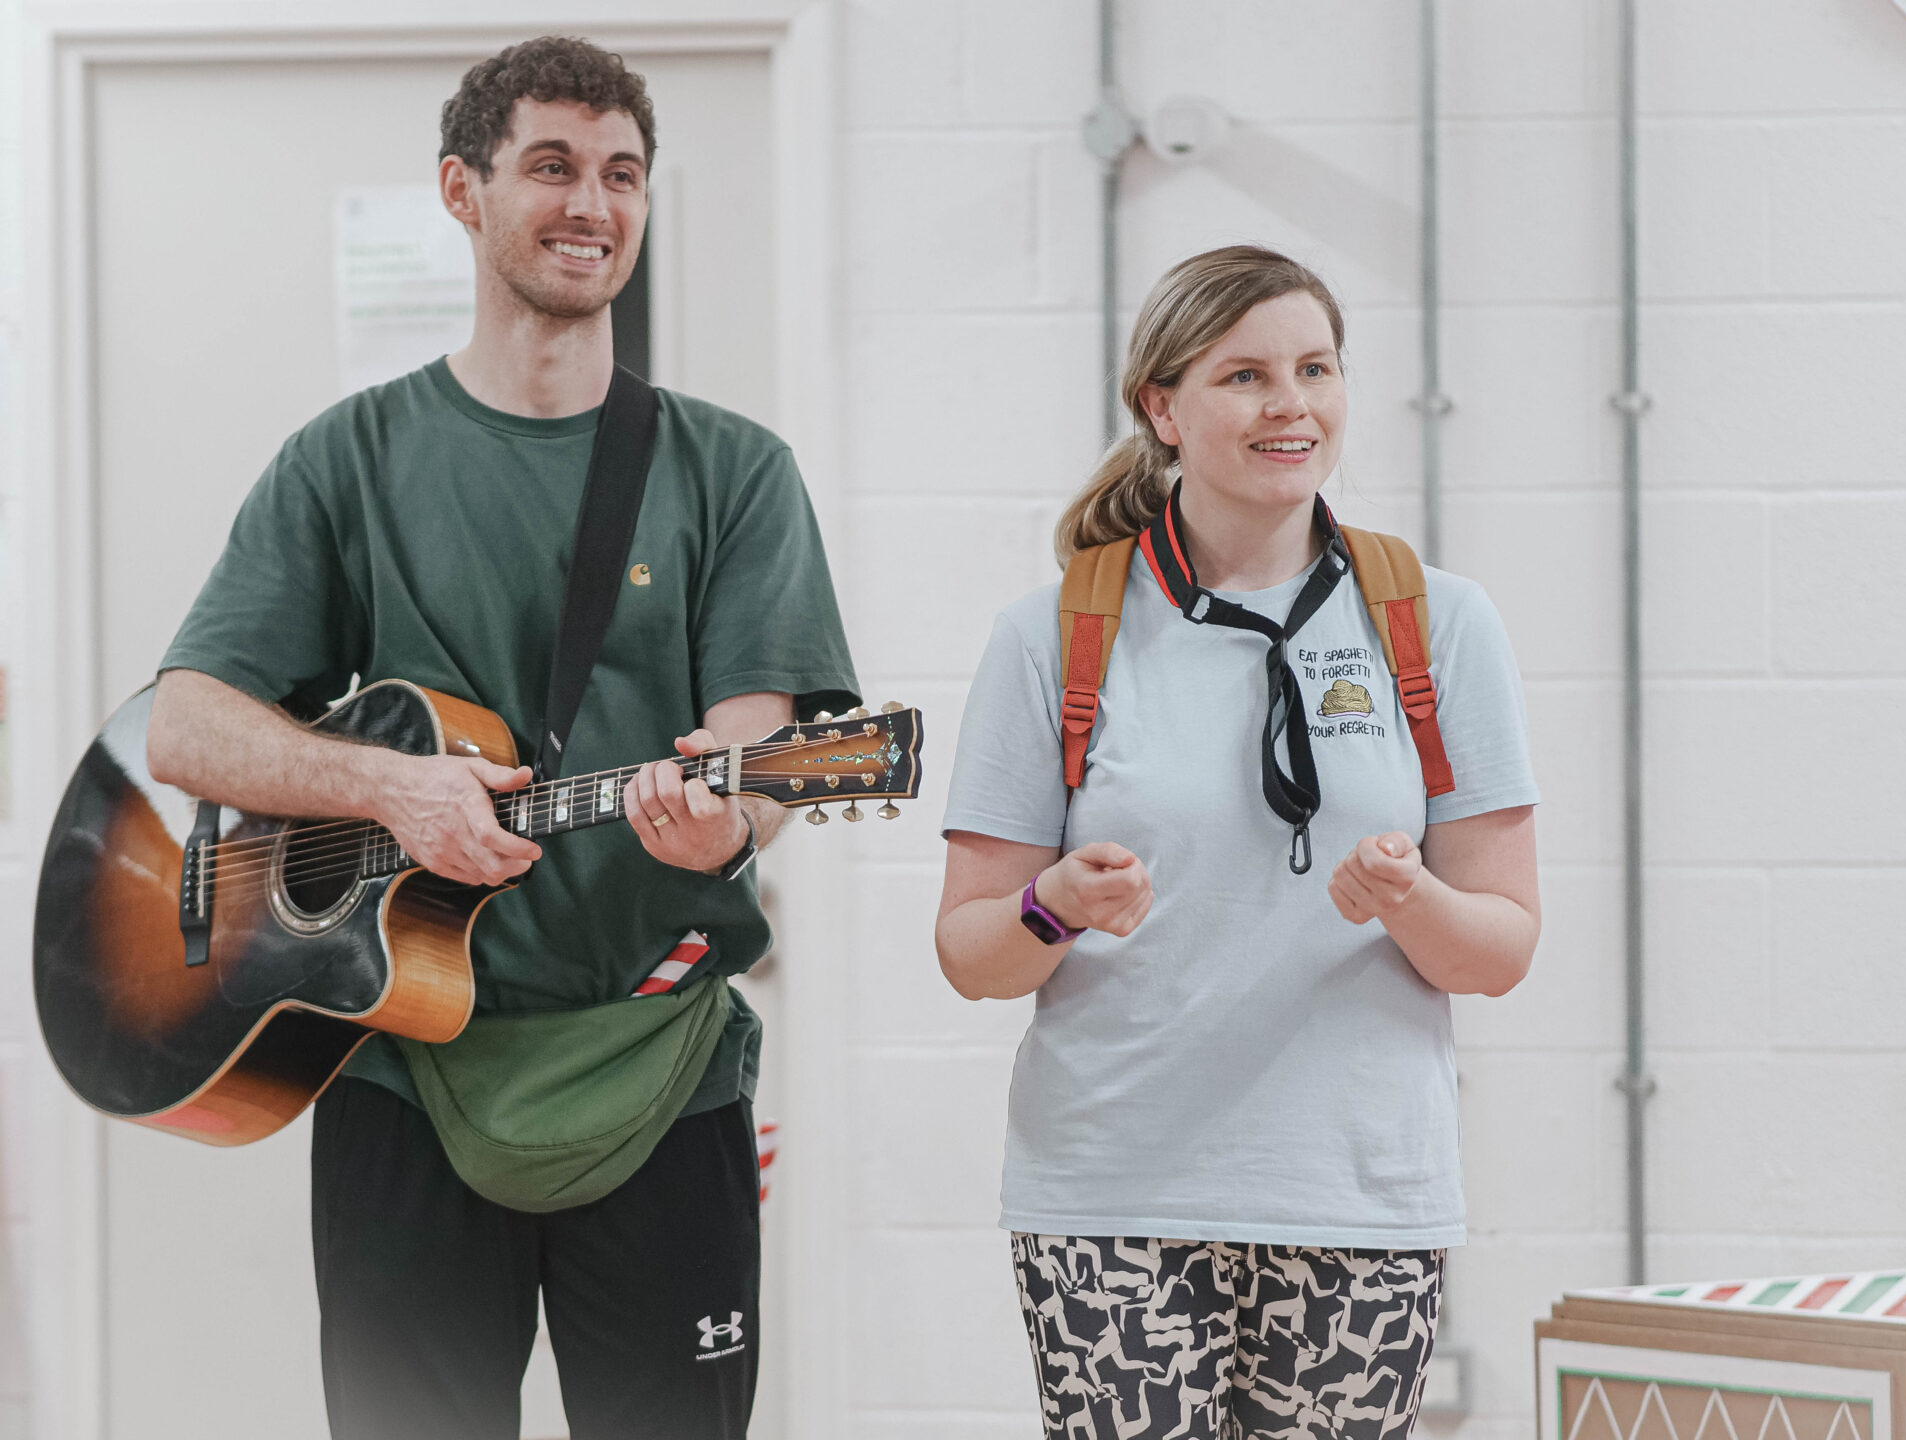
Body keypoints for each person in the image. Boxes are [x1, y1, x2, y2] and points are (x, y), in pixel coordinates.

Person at [144, 36, 857, 1440]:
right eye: (552, 166)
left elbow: (759, 749)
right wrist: (389, 789)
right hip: (398, 1068)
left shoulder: (734, 470)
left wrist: (737, 818)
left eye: (623, 174)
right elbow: (186, 721)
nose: (593, 204)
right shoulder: (347, 459)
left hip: (660, 1068)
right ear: (463, 192)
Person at [935, 245, 1541, 1440]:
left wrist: (1408, 900)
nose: (1293, 405)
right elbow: (969, 953)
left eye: (1316, 369)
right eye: (1247, 375)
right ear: (1162, 405)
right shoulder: (1057, 632)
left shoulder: (1438, 621)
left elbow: (1502, 947)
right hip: (1111, 1198)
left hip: (1361, 1198)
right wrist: (1054, 904)